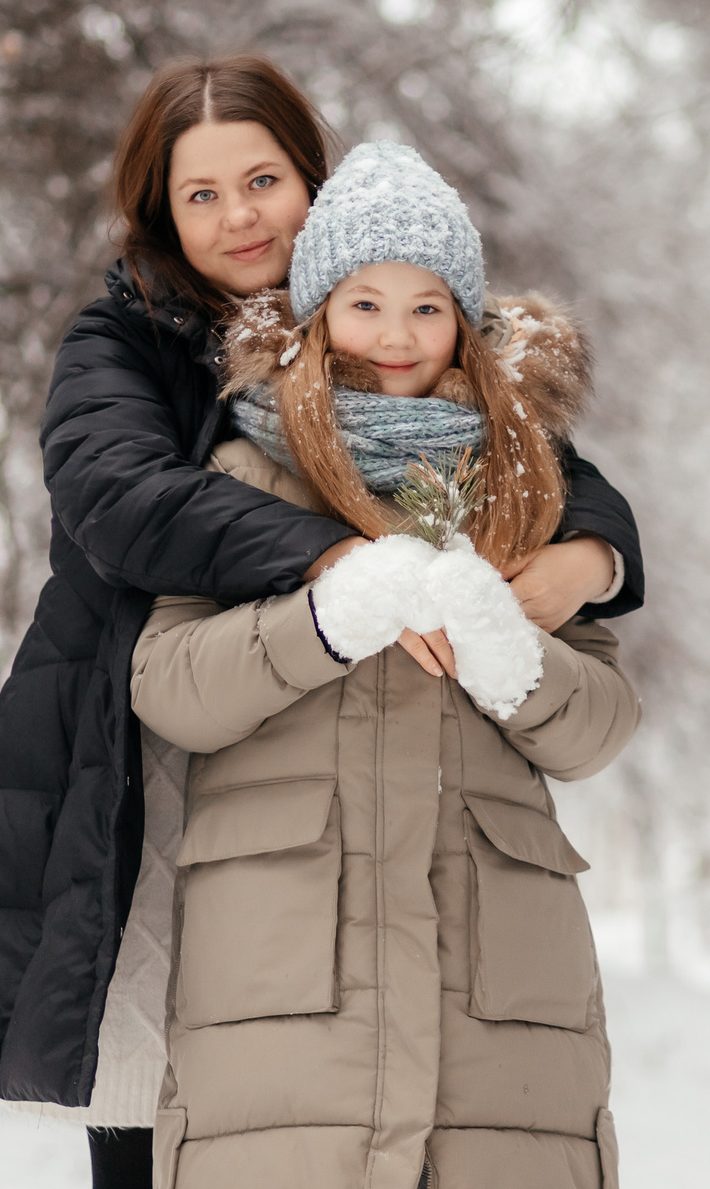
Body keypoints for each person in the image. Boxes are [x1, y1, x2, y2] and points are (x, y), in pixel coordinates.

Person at [0, 58, 644, 1189]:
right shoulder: (126, 340)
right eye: (201, 194)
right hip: (140, 761)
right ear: (161, 208)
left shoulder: (390, 316)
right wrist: (340, 559)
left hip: (331, 777)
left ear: (311, 183)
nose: (238, 215)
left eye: (263, 180)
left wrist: (592, 552)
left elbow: (538, 461)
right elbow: (118, 498)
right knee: (162, 1096)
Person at [134, 140, 638, 1187]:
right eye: (364, 304)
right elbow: (170, 687)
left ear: (464, 317)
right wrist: (325, 617)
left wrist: (506, 651)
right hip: (279, 1001)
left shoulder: (526, 485)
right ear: (318, 312)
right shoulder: (240, 473)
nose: (397, 336)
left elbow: (600, 722)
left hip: (502, 1014)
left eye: (427, 306)